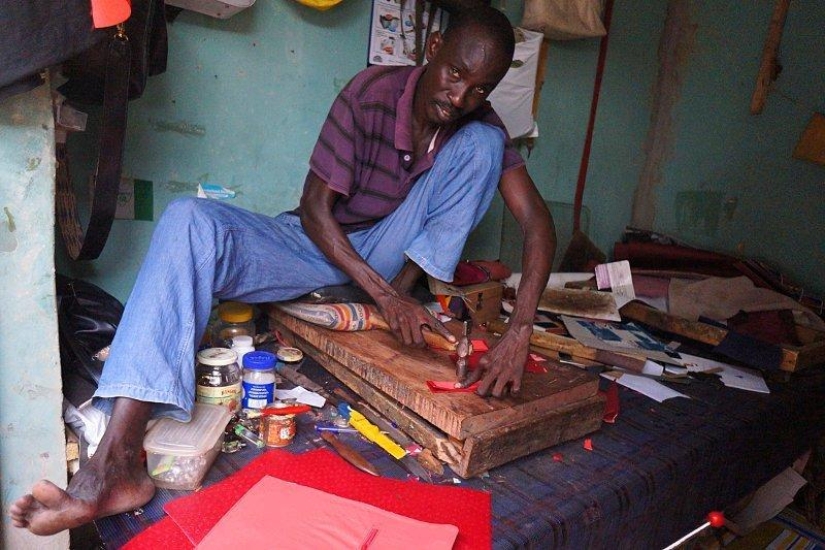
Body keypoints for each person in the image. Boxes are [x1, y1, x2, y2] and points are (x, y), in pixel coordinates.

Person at [11, 6, 555, 537]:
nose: (460, 98)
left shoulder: (477, 123)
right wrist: (383, 299)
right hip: (317, 241)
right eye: (455, 74)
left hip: (391, 260)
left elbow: (537, 225)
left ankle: (397, 299)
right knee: (189, 220)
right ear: (432, 51)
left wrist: (519, 329)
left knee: (483, 143)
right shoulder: (371, 94)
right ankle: (116, 465)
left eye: (479, 88)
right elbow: (317, 211)